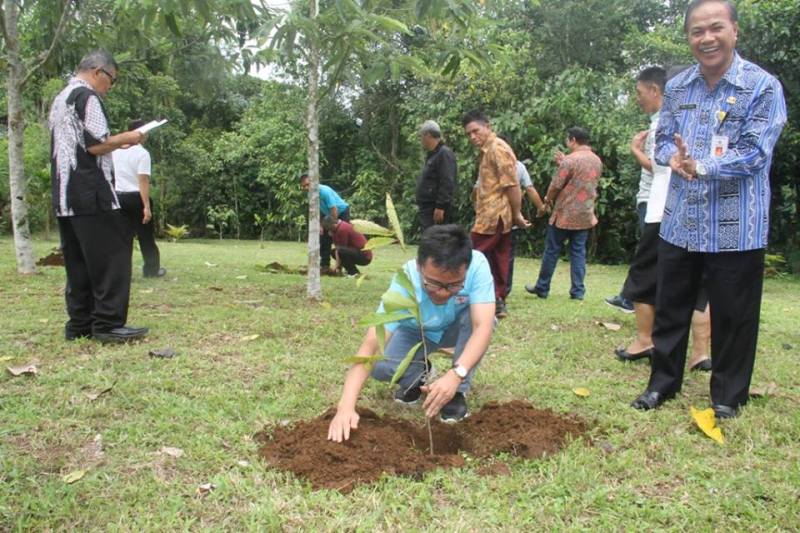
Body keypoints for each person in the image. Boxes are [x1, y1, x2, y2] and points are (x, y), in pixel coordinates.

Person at [631, 0, 786, 419]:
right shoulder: (679, 87)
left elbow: (755, 153)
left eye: (715, 28)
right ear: (689, 38)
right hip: (681, 220)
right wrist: (672, 159)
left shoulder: (762, 86)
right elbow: (662, 141)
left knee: (734, 316)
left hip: (737, 226)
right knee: (670, 309)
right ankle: (662, 384)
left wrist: (700, 165)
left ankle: (727, 397)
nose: (707, 38)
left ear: (735, 31)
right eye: (697, 31)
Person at [327, 225, 496, 441]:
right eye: (433, 283)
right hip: (417, 331)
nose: (442, 293)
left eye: (454, 286)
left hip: (458, 329)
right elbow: (370, 346)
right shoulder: (405, 281)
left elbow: (483, 326)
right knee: (381, 366)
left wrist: (457, 375)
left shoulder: (478, 265)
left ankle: (456, 393)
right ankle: (420, 372)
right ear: (419, 266)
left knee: (483, 322)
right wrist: (345, 407)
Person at [613, 67, 712, 372]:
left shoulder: (662, 126)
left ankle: (644, 340)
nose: (638, 98)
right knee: (698, 284)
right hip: (697, 211)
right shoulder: (697, 121)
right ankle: (699, 353)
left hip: (662, 211)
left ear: (657, 90)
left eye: (640, 92)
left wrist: (634, 151)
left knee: (643, 276)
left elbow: (658, 169)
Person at [48, 50, 148, 343]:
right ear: (97, 72)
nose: (110, 87)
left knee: (78, 262)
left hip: (66, 195)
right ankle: (107, 323)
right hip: (92, 192)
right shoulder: (87, 97)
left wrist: (115, 143)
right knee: (112, 257)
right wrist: (129, 138)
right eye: (111, 80)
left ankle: (79, 323)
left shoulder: (61, 98)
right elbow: (96, 145)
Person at [462, 110, 529, 319]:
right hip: (491, 215)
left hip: (495, 216)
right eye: (468, 134)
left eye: (475, 131)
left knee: (471, 254)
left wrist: (517, 213)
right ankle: (497, 302)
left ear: (487, 126)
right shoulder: (487, 150)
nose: (473, 136)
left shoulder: (498, 148)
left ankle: (463, 296)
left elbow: (512, 185)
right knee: (497, 259)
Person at [526, 127, 602, 301]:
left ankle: (542, 287)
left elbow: (556, 185)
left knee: (552, 250)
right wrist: (564, 162)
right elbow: (581, 180)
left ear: (573, 140)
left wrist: (547, 199)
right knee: (578, 252)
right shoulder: (597, 160)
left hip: (565, 213)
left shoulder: (570, 160)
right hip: (585, 214)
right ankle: (578, 291)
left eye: (567, 140)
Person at [113, 119, 166, 278]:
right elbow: (143, 180)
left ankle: (123, 273)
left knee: (123, 238)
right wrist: (146, 207)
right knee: (146, 237)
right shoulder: (142, 154)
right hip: (137, 198)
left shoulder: (115, 151)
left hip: (118, 197)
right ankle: (151, 270)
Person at [506, 157, 548, 298]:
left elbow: (477, 189)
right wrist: (541, 207)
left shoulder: (487, 163)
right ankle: (504, 289)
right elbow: (529, 188)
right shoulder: (518, 166)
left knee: (487, 253)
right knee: (508, 255)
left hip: (490, 218)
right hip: (510, 217)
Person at [300, 173, 350, 274]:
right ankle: (325, 266)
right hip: (327, 214)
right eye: (304, 186)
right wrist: (320, 225)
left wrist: (333, 228)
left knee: (341, 241)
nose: (306, 187)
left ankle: (341, 268)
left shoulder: (325, 191)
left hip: (341, 212)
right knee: (323, 238)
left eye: (308, 184)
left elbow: (334, 210)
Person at [416, 120, 457, 231]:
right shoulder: (433, 155)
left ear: (428, 135)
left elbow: (447, 181)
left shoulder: (444, 153)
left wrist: (440, 207)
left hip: (435, 209)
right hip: (427, 208)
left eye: (421, 136)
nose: (421, 139)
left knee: (436, 240)